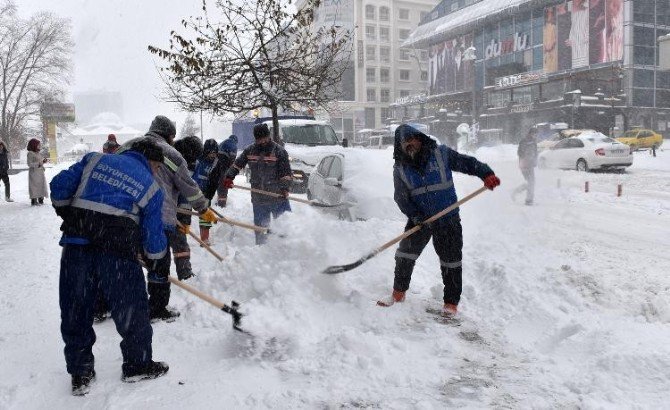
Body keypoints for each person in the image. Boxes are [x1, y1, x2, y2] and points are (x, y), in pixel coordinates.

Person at [50, 138, 170, 395]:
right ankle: (137, 365)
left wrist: (70, 215)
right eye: (158, 167)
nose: (156, 172)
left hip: (77, 245)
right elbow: (154, 240)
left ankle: (80, 372)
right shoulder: (150, 187)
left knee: (76, 308)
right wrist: (155, 258)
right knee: (131, 308)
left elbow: (59, 187)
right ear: (150, 161)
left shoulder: (94, 159)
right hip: (117, 253)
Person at [377, 124, 501, 317]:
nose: (409, 143)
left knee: (451, 261)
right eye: (404, 141)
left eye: (412, 138)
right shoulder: (400, 168)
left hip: (447, 218)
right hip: (420, 219)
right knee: (404, 256)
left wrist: (486, 173)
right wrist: (417, 217)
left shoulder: (440, 153)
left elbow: (467, 162)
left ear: (420, 138)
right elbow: (401, 198)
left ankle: (450, 304)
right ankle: (398, 294)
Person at [120, 116, 218, 321]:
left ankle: (114, 303)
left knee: (122, 259)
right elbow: (188, 187)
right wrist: (203, 208)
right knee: (159, 262)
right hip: (157, 215)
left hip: (123, 215)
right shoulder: (171, 154)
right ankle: (156, 309)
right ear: (170, 136)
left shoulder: (126, 146)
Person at [223, 123, 292, 245]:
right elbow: (237, 164)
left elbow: (286, 173)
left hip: (278, 196)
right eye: (259, 139)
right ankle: (261, 250)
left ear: (268, 136)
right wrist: (229, 176)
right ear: (255, 138)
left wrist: (284, 188)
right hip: (258, 197)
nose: (263, 141)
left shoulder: (279, 151)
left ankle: (283, 249)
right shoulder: (250, 150)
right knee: (260, 229)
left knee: (283, 228)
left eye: (265, 138)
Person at [172, 136, 204, 280]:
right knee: (158, 242)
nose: (193, 161)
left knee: (180, 239)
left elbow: (190, 190)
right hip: (164, 205)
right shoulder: (171, 158)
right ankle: (159, 275)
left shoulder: (194, 163)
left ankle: (184, 272)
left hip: (181, 207)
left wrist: (185, 218)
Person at [513, 128, 539, 206]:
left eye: (536, 134)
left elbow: (535, 152)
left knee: (531, 182)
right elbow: (519, 153)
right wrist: (527, 156)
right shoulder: (524, 141)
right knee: (530, 182)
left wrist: (534, 160)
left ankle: (517, 192)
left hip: (530, 165)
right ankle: (528, 200)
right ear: (530, 133)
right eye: (535, 134)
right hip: (524, 165)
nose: (536, 135)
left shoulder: (534, 142)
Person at [216, 134, 238, 207]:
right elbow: (232, 159)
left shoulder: (223, 143)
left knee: (219, 183)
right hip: (224, 166)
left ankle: (219, 200)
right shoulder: (233, 145)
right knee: (224, 184)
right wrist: (231, 171)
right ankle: (222, 203)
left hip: (217, 166)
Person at [26, 138, 48, 206]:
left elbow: (40, 162)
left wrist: (43, 162)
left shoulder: (38, 153)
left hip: (40, 172)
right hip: (34, 173)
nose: (39, 146)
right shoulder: (30, 153)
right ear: (34, 145)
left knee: (41, 186)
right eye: (38, 145)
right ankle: (34, 201)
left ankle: (41, 199)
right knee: (34, 187)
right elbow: (29, 164)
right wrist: (39, 164)